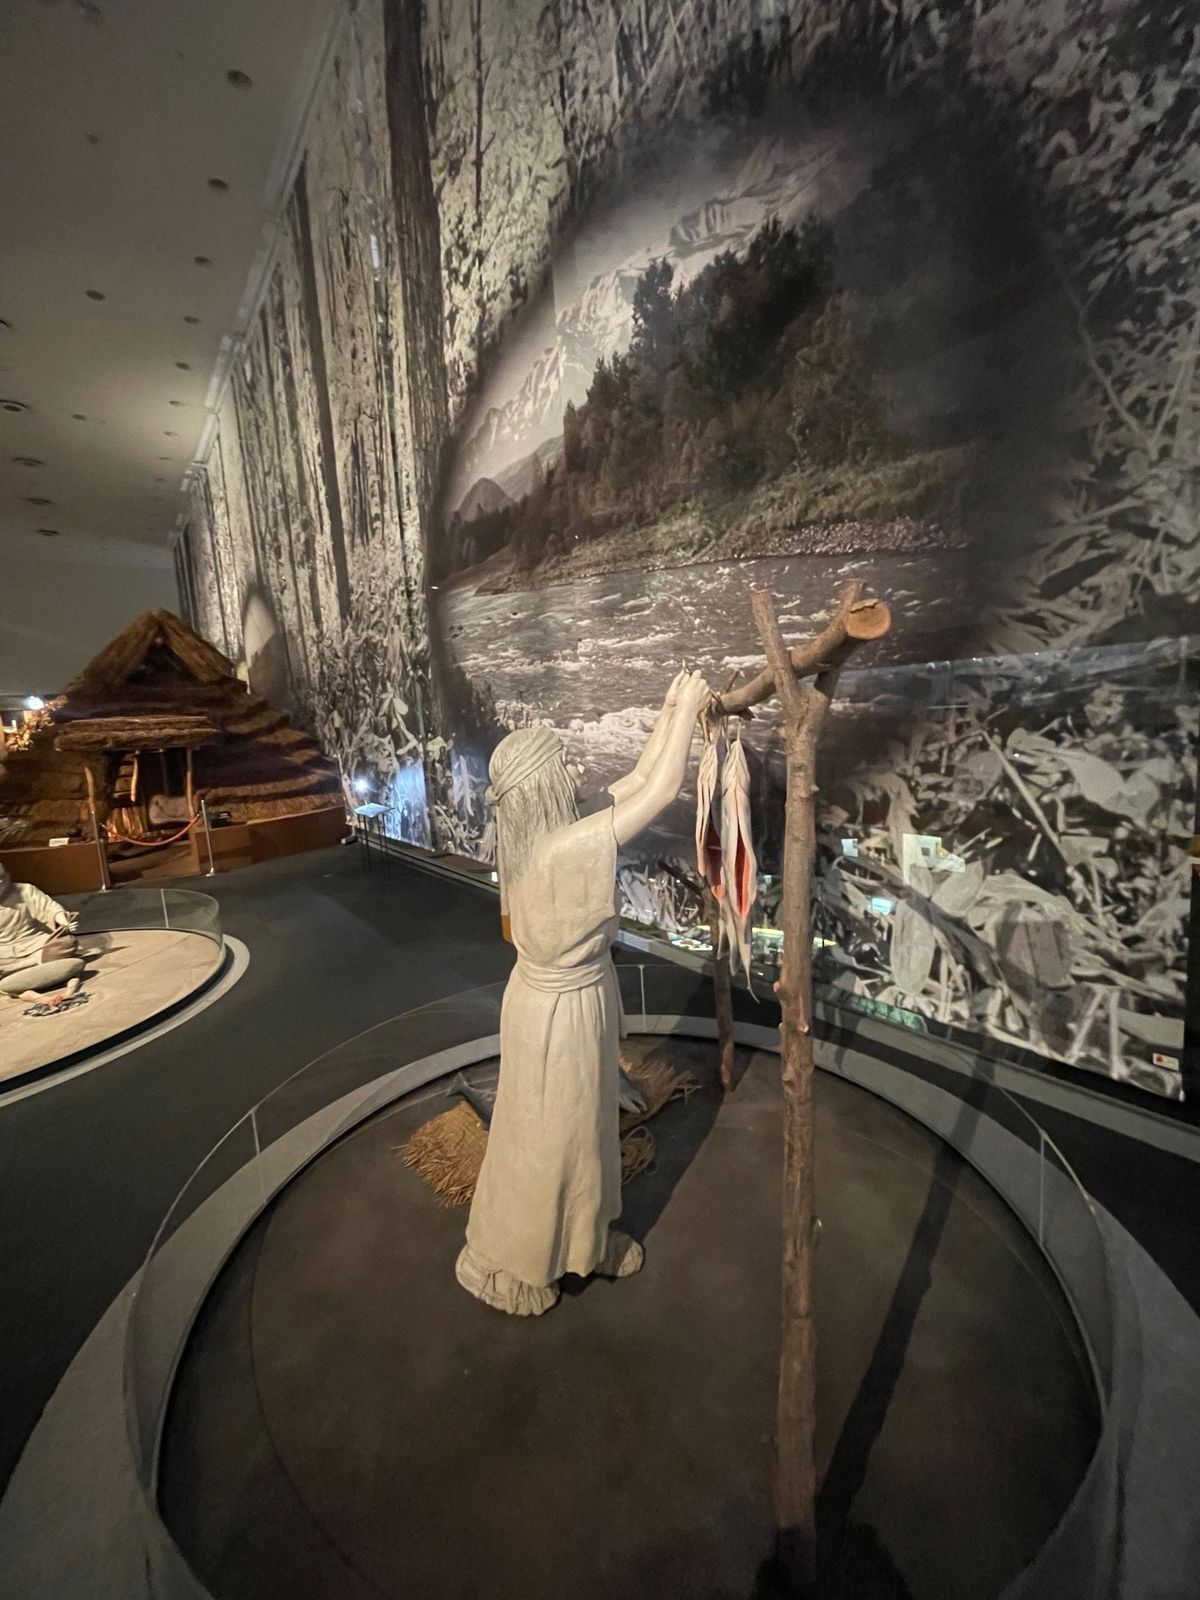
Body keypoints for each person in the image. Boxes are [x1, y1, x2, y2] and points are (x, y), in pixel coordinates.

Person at [456, 667, 711, 1316]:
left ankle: (584, 1238)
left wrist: (674, 706)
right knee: (549, 1139)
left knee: (588, 1132)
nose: (575, 775)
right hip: (557, 1016)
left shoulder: (551, 836)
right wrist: (692, 712)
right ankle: (514, 1262)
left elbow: (631, 784)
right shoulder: (558, 853)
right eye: (565, 765)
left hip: (574, 1003)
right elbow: (658, 795)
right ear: (542, 784)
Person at [0, 865, 85, 1001]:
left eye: (1, 878)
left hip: (35, 943)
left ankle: (67, 985)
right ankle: (34, 993)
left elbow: (49, 908)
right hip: (4, 954)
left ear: (8, 875)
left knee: (65, 943)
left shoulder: (24, 890)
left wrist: (63, 921)